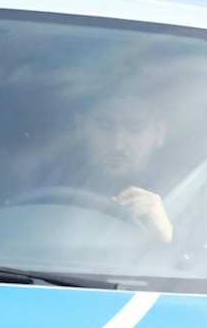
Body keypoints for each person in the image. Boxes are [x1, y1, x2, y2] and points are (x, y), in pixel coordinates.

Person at [71, 89, 176, 241]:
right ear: (80, 127)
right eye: (105, 126)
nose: (117, 144)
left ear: (160, 133)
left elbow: (199, 257)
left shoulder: (187, 196)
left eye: (135, 129)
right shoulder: (45, 181)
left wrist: (167, 237)